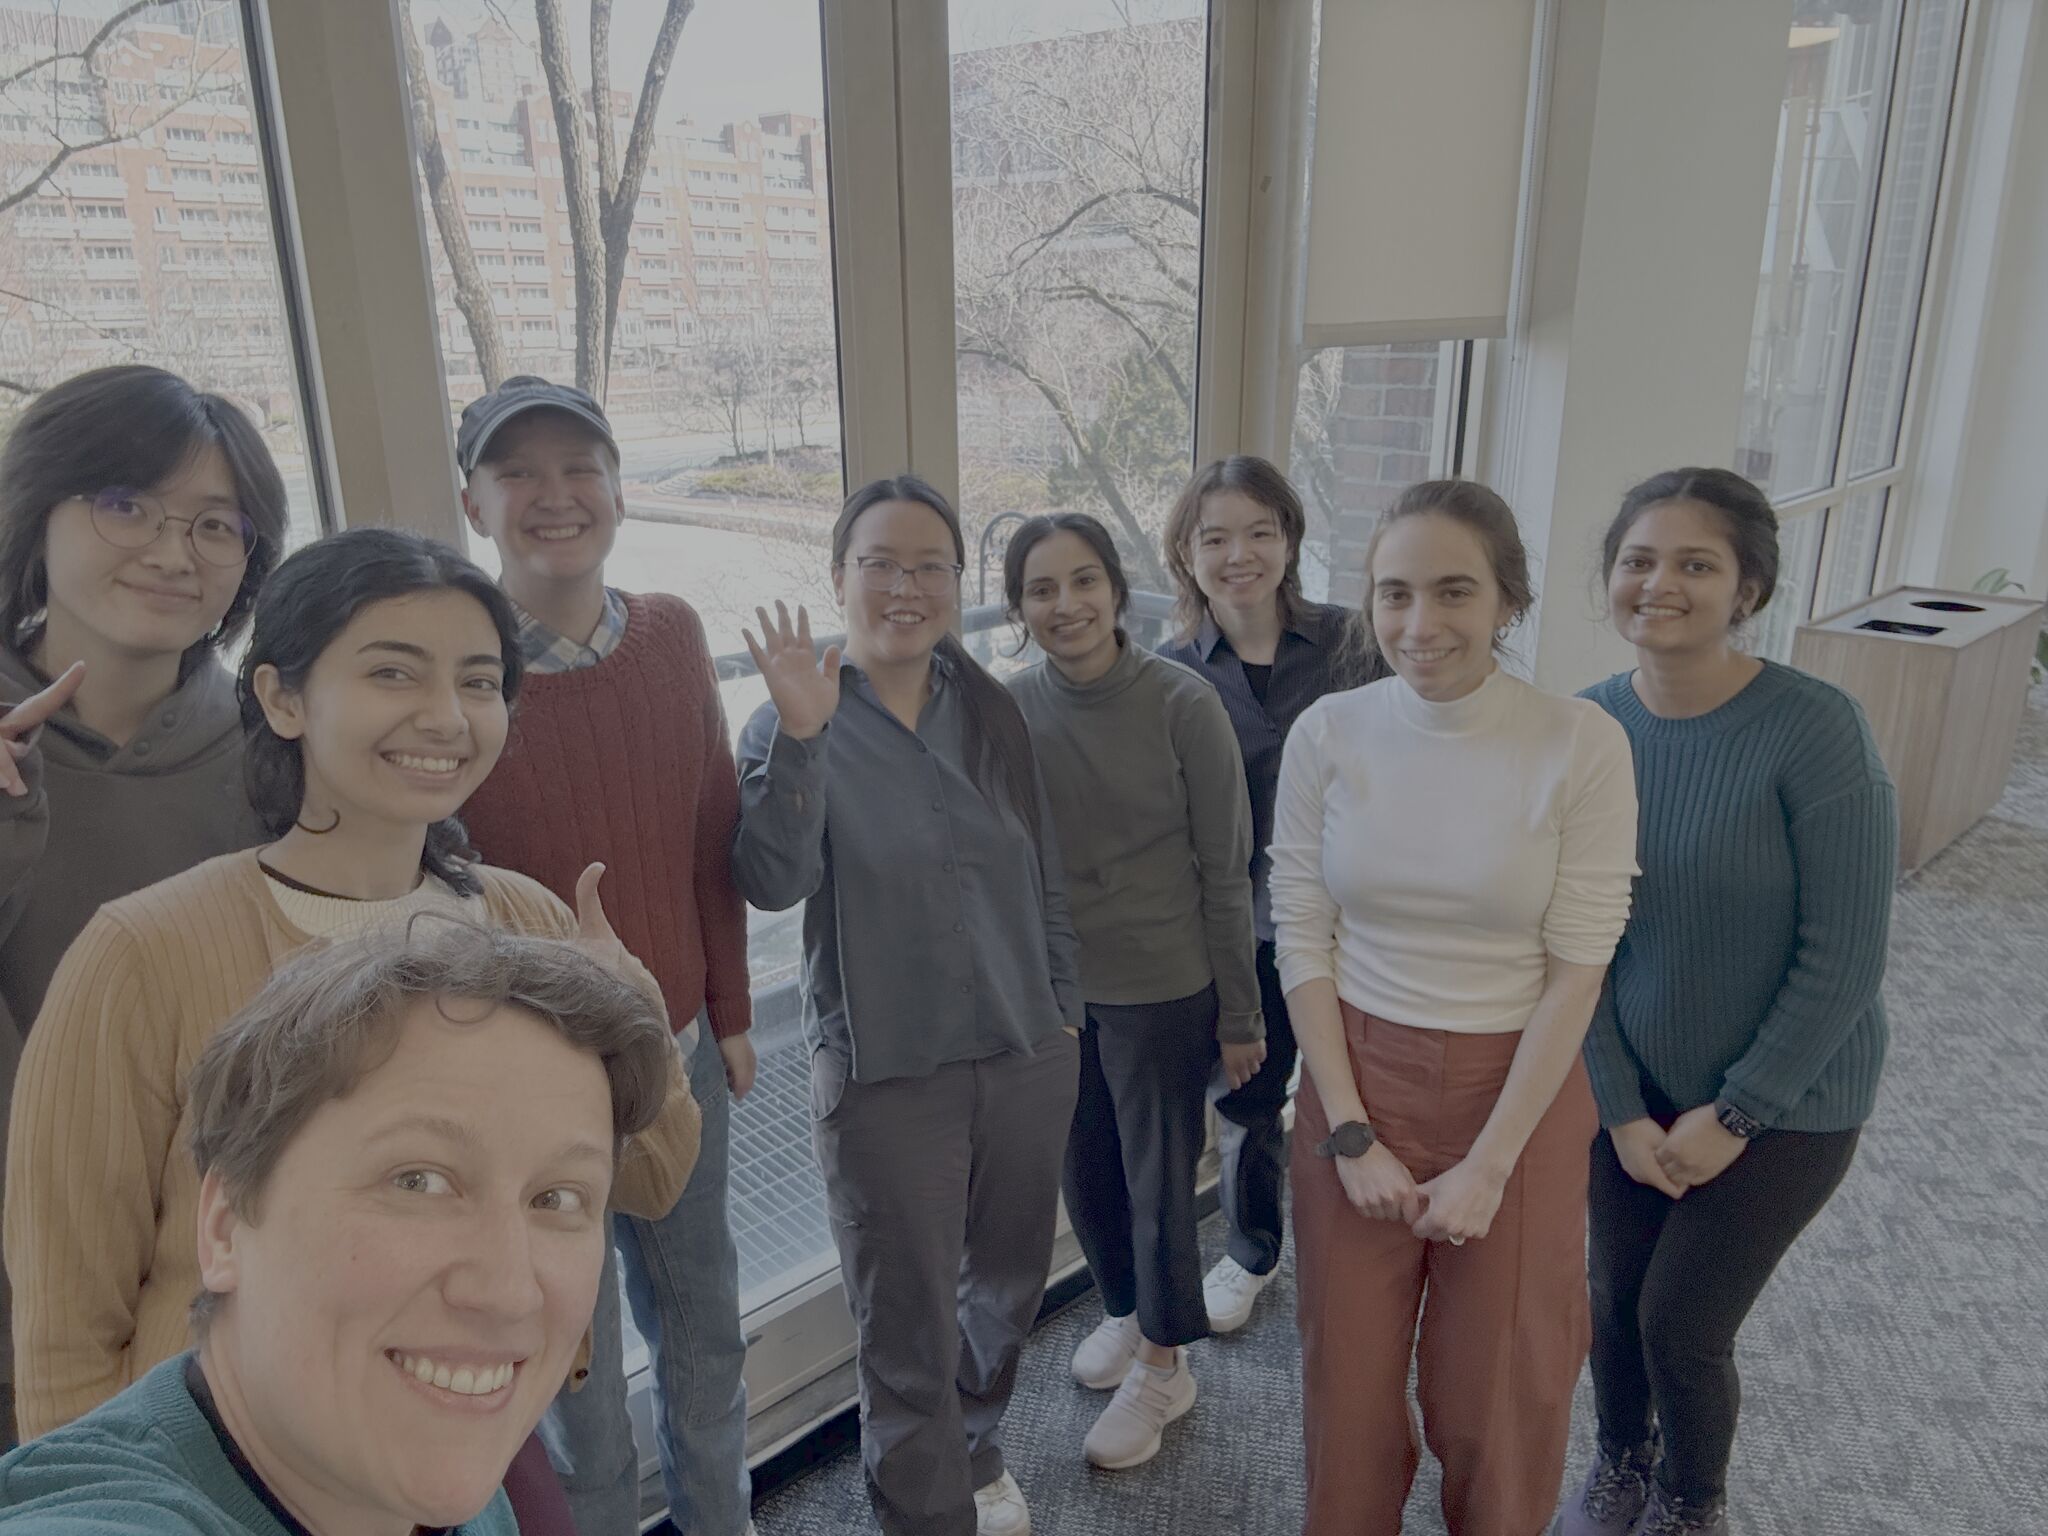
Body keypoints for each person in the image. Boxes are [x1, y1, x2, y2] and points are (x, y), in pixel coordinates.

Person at [3, 529, 699, 1473]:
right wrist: (99, 1500)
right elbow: (65, 1316)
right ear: (282, 697)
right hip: (227, 1472)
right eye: (393, 674)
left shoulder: (527, 917)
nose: (447, 717)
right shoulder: (144, 952)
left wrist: (635, 1017)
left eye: (481, 682)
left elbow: (654, 1183)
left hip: (465, 1418)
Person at [0, 917, 676, 1536]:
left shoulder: (419, 1472)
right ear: (225, 1224)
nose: (508, 1292)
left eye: (557, 1198)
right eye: (419, 1181)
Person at [1269, 479, 1638, 1536]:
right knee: (1346, 1395)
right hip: (1355, 1075)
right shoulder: (1330, 731)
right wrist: (1346, 1131)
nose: (1418, 626)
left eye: (1452, 592)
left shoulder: (1579, 743)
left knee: (1498, 1399)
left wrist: (1489, 1163)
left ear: (1506, 602)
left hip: (1514, 1084)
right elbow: (1300, 932)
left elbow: (1579, 964)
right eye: (1393, 594)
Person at [732, 475, 1081, 1536]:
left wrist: (1065, 1009)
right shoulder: (792, 715)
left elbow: (1042, 869)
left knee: (1008, 1288)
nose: (905, 585)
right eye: (878, 562)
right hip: (889, 1075)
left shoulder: (992, 705)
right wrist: (799, 737)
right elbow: (768, 877)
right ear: (838, 577)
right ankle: (924, 1512)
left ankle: (974, 1450)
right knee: (906, 1325)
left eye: (930, 564)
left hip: (1026, 1049)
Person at [1551, 469, 1897, 1536]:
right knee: (1609, 1303)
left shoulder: (1815, 730)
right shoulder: (1583, 730)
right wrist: (1617, 1104)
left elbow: (1842, 957)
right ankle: (1618, 1465)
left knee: (1678, 1324)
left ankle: (1689, 1504)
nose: (1659, 583)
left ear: (1746, 588)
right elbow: (1572, 943)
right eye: (1637, 560)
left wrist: (1736, 1112)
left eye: (1694, 563)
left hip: (1792, 1095)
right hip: (1633, 1083)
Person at [454, 376, 758, 1536]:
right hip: (521, 1083)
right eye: (517, 472)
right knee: (565, 1363)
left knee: (702, 1319)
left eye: (578, 468)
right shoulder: (459, 665)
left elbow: (708, 833)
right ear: (474, 503)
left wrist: (728, 1010)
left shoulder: (674, 633)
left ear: (620, 492)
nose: (554, 496)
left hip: (675, 1051)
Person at [0, 366, 287, 1446]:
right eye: (126, 505)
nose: (174, 552)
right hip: (29, 1289)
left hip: (232, 1278)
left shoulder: (280, 755)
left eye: (218, 524)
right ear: (40, 509)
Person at [1002, 512, 1259, 1470]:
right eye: (1039, 589)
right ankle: (1123, 1310)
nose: (1064, 605)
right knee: (1088, 1174)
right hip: (1060, 992)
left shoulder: (1180, 702)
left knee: (1157, 1185)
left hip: (1164, 983)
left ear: (1116, 589)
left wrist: (1240, 1012)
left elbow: (1225, 870)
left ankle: (1166, 1362)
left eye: (1082, 581)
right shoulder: (1011, 706)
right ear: (1018, 606)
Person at [1155, 455, 1389, 1333]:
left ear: (1290, 539)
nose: (1239, 554)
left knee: (1363, 1089)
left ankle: (1366, 1244)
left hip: (1359, 920)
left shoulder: (1359, 647)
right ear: (1186, 553)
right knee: (1248, 1098)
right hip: (1239, 929)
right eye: (1214, 537)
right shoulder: (1170, 672)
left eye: (1259, 531)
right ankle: (1254, 1251)